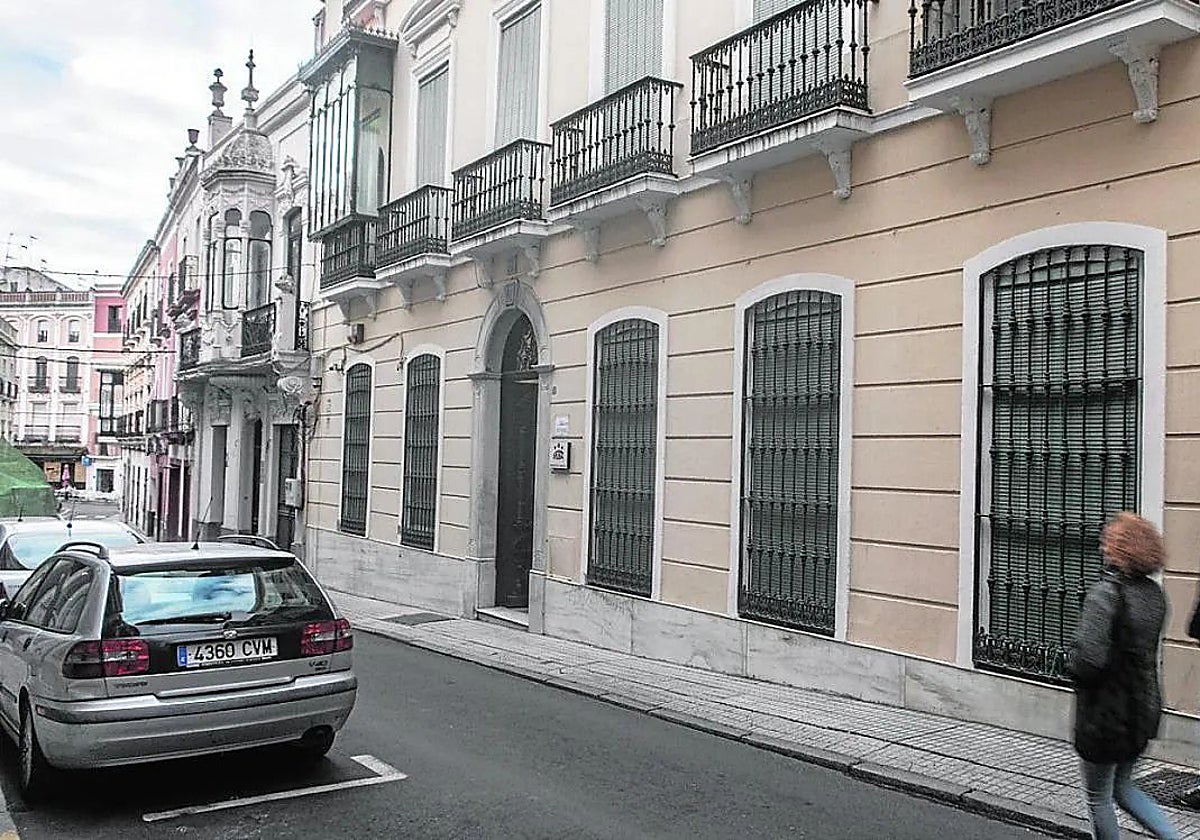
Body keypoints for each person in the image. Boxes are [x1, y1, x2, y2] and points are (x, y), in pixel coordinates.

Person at [1069, 511, 1179, 840]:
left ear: (1120, 549)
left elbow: (1089, 659)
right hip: (1143, 708)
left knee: (1098, 796)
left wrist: (1072, 665)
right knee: (1123, 786)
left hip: (1105, 714)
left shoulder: (1105, 595)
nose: (1103, 547)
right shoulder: (1155, 595)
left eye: (1108, 542)